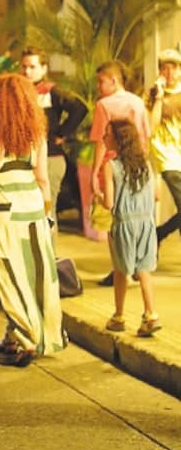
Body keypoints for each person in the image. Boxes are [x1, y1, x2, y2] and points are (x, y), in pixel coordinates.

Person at [0, 74, 65, 367]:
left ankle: (26, 337)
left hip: (1, 212)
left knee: (8, 276)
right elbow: (42, 179)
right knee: (34, 275)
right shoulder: (37, 136)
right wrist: (48, 214)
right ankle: (16, 337)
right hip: (33, 209)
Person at [0, 46, 87, 230]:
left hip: (48, 157)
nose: (27, 71)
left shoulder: (51, 92)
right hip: (20, 163)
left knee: (46, 214)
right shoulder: (11, 89)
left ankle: (48, 255)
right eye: (24, 66)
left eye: (32, 67)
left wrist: (61, 133)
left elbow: (79, 107)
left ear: (44, 68)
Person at [88, 60, 151, 286]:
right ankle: (136, 266)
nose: (98, 86)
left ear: (113, 80)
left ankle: (121, 268)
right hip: (136, 166)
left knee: (115, 219)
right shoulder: (137, 103)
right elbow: (145, 137)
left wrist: (95, 173)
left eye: (101, 81)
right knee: (137, 216)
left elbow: (101, 142)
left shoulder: (104, 105)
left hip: (112, 168)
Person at [99, 118, 161, 337]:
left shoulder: (111, 166)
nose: (103, 138)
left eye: (107, 134)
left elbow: (109, 203)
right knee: (144, 269)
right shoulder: (146, 163)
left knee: (121, 270)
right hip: (146, 222)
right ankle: (150, 314)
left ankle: (118, 316)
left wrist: (98, 196)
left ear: (118, 139)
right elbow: (157, 196)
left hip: (124, 223)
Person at [147, 48, 181, 247]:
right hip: (166, 157)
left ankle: (159, 233)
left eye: (174, 68)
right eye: (164, 68)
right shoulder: (151, 95)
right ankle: (159, 234)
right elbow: (151, 127)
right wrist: (158, 97)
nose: (169, 73)